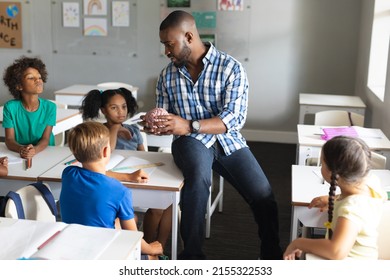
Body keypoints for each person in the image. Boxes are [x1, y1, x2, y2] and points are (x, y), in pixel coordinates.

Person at [143, 10, 283, 260]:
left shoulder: (231, 68)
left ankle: (272, 258)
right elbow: (165, 115)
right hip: (190, 143)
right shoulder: (167, 75)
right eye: (164, 45)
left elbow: (234, 119)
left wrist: (188, 125)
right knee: (198, 180)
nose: (166, 51)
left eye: (169, 44)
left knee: (264, 196)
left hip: (227, 141)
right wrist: (156, 123)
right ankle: (192, 257)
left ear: (188, 36)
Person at [80, 88, 172, 249]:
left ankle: (156, 246)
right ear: (103, 110)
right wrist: (115, 129)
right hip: (111, 180)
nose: (120, 112)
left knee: (165, 206)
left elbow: (144, 155)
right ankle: (145, 249)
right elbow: (108, 150)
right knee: (144, 212)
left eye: (123, 106)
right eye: (113, 108)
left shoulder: (134, 130)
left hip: (135, 175)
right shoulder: (99, 131)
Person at [60, 121, 163, 260]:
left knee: (130, 219)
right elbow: (133, 237)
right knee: (154, 258)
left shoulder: (69, 173)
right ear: (105, 151)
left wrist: (129, 176)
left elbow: (96, 175)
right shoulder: (120, 191)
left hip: (72, 246)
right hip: (105, 252)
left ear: (76, 156)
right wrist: (151, 248)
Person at [284, 136, 387, 260]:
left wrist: (299, 242)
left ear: (332, 173)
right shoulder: (372, 183)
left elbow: (336, 251)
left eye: (322, 163)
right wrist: (334, 198)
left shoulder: (351, 208)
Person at [2, 56, 56, 159]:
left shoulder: (50, 107)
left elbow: (45, 139)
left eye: (40, 77)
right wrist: (21, 149)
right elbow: (9, 140)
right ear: (19, 86)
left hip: (45, 152)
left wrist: (34, 150)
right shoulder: (10, 108)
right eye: (31, 78)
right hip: (19, 154)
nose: (38, 80)